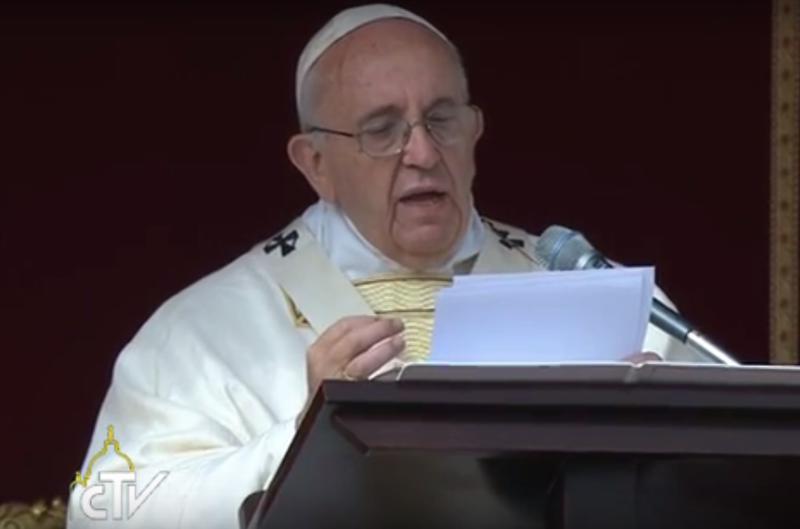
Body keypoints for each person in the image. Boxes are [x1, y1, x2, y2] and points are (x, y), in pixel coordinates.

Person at [66, 4, 702, 528]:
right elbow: (103, 511)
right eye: (381, 129)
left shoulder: (597, 296)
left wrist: (653, 440)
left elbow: (726, 481)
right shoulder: (202, 331)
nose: (421, 152)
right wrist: (300, 440)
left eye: (441, 120)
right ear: (315, 163)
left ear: (475, 132)